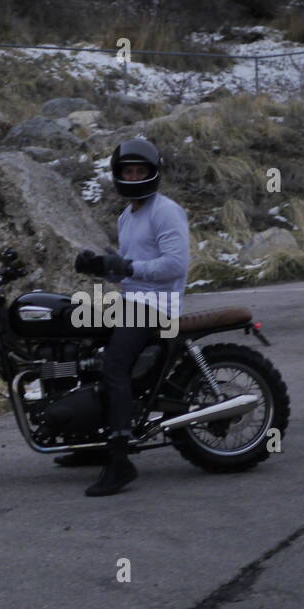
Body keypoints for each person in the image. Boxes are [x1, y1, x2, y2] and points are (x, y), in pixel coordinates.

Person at [68, 137, 190, 496]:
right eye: (128, 170)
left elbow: (175, 265)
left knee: (114, 366)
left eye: (140, 170)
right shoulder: (128, 215)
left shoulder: (164, 210)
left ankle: (120, 461)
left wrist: (127, 266)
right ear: (118, 175)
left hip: (158, 306)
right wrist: (100, 267)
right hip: (133, 301)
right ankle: (87, 442)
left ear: (152, 173)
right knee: (79, 341)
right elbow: (128, 272)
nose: (134, 176)